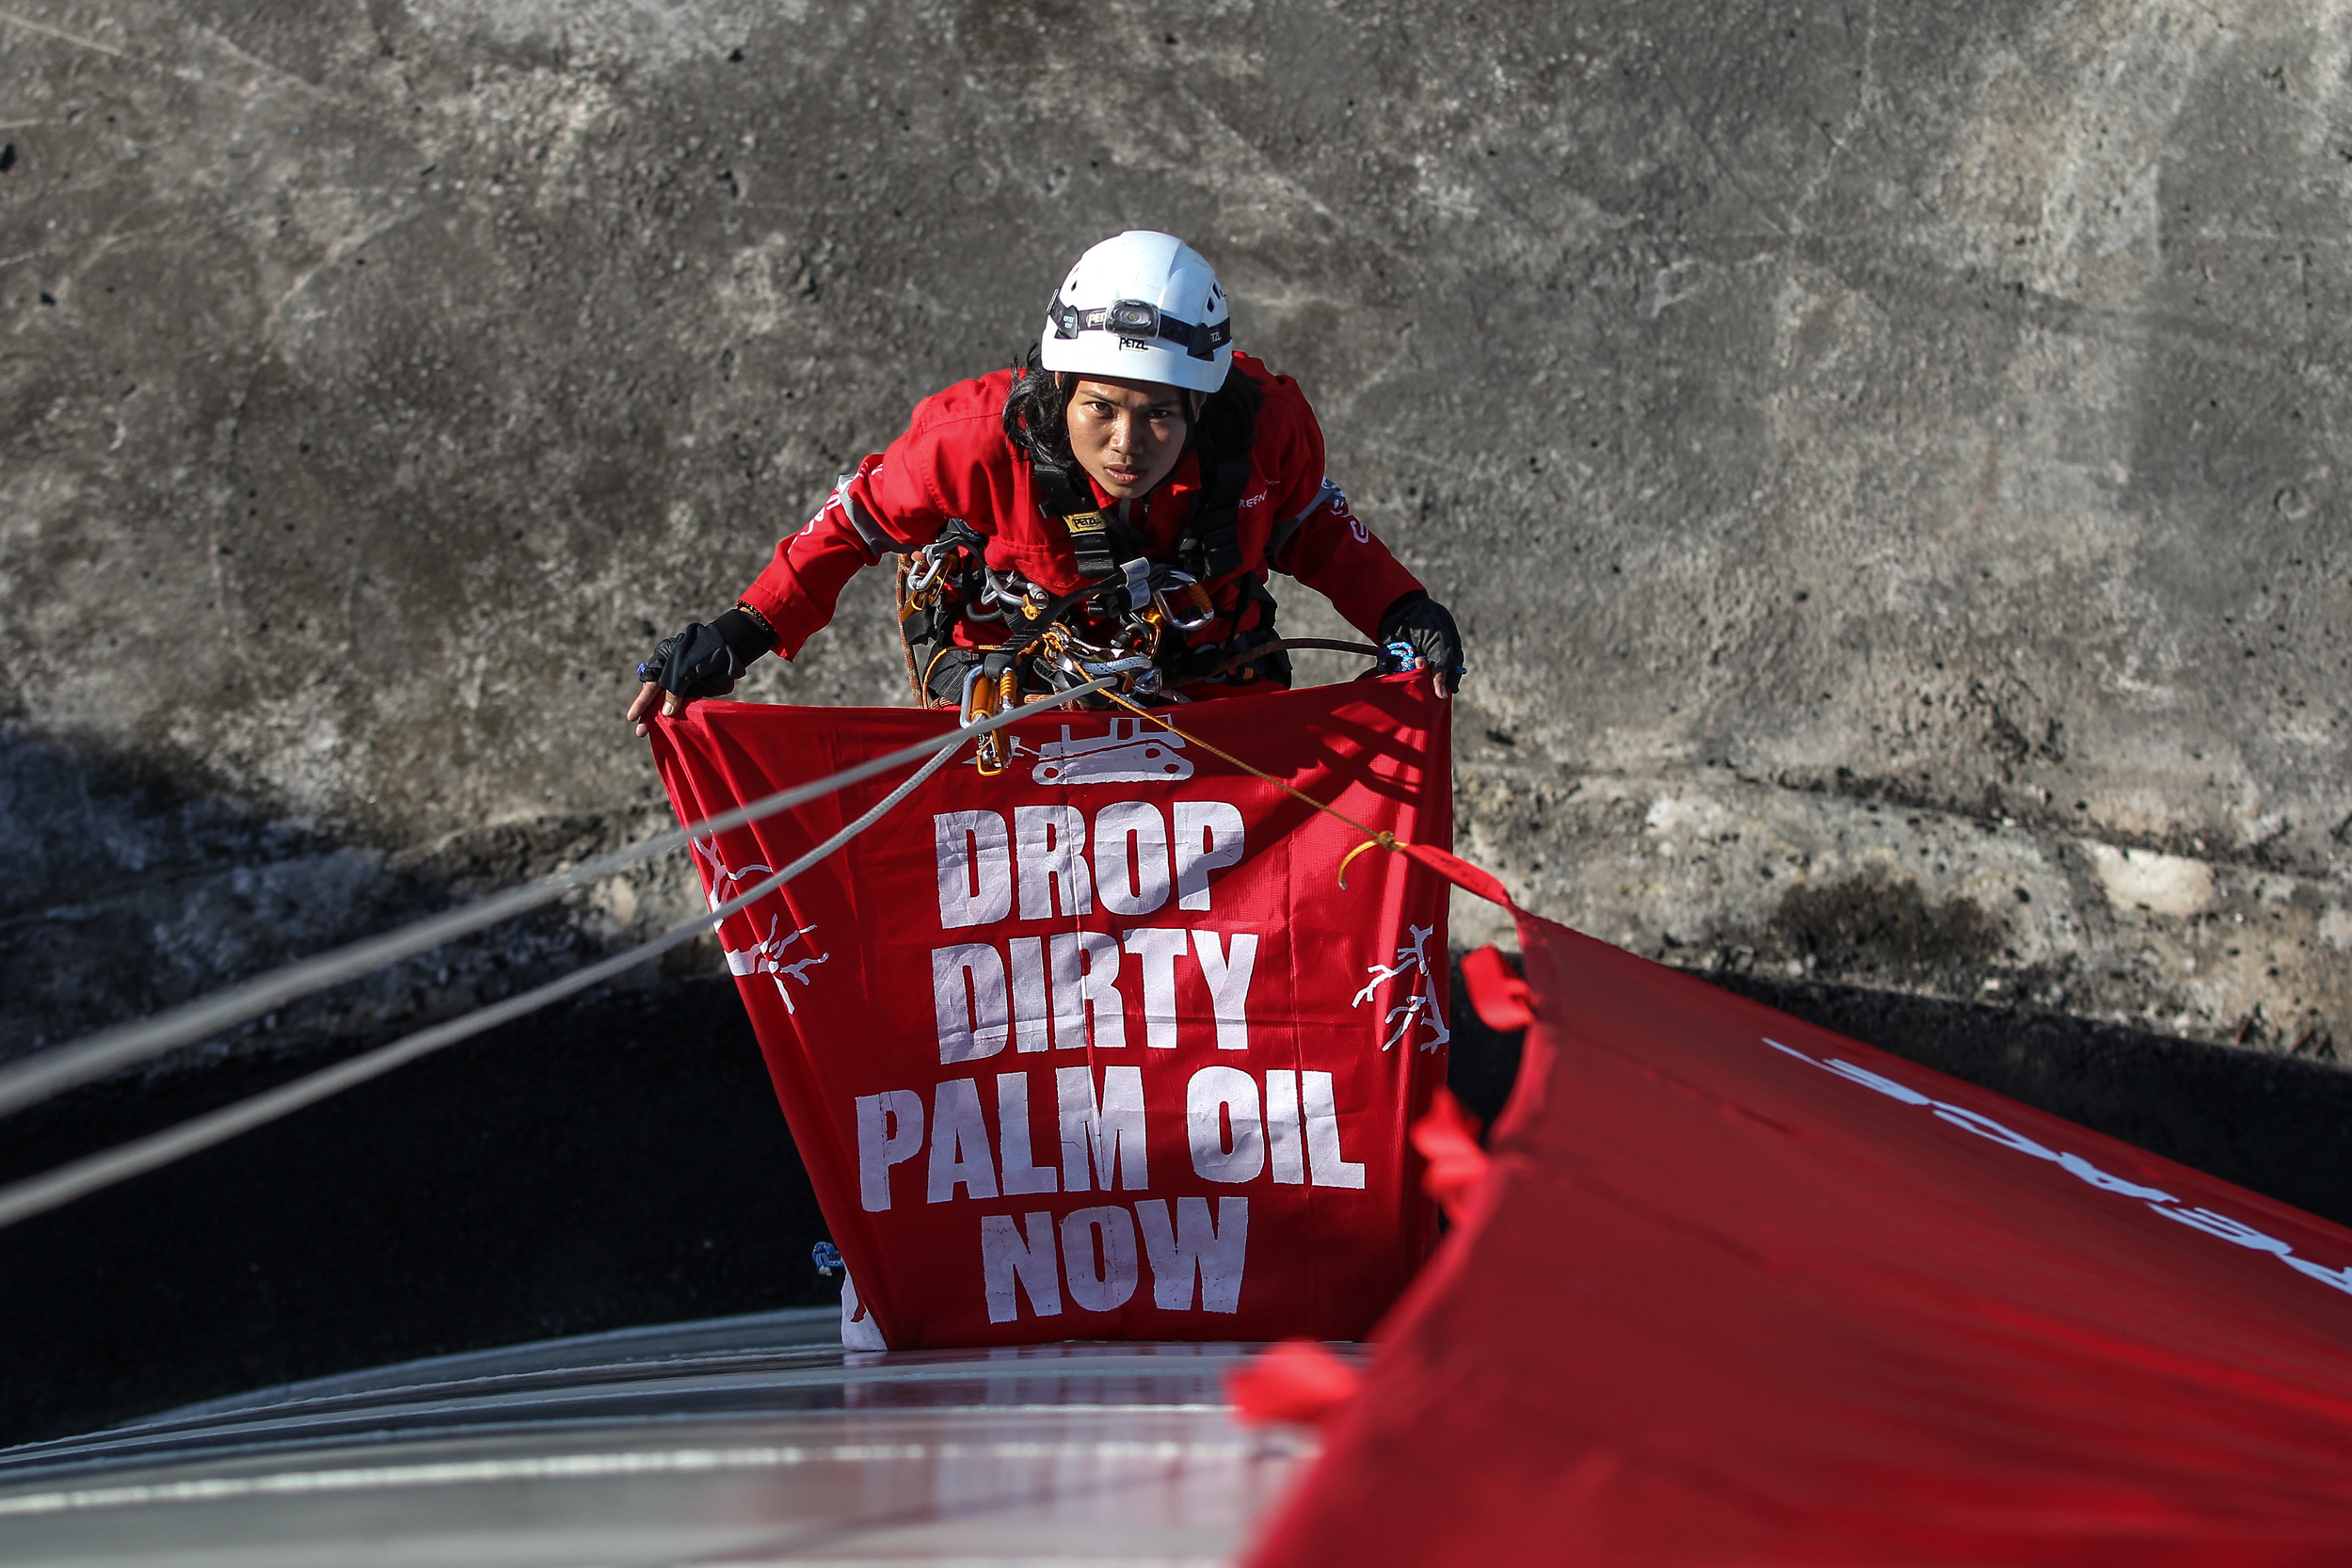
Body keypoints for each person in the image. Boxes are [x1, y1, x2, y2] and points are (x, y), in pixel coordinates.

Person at [629, 231, 1463, 736]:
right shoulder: (968, 443)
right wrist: (741, 630)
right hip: (1012, 669)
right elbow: (852, 525)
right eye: (1099, 407)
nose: (1127, 444)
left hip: (1205, 660)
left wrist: (1399, 608)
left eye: (1160, 416)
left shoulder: (1263, 433)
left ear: (1201, 408)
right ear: (1059, 388)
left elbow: (1309, 523)